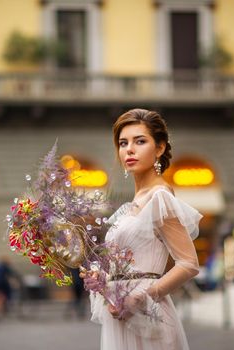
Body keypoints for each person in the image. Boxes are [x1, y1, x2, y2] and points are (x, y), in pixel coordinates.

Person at [82, 109, 203, 350]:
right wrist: (102, 279)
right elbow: (129, 264)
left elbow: (189, 264)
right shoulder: (131, 205)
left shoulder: (160, 197)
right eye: (123, 143)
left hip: (148, 318)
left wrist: (141, 297)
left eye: (140, 141)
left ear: (159, 148)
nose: (129, 149)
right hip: (120, 316)